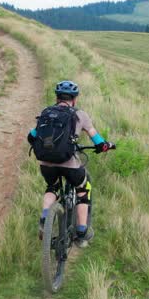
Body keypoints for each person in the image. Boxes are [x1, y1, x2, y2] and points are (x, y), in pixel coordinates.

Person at [26, 80, 113, 247]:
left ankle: (45, 218)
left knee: (51, 187)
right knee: (83, 189)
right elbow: (97, 139)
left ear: (57, 97)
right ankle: (81, 231)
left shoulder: (45, 112)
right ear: (75, 98)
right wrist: (106, 145)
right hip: (69, 164)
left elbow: (31, 137)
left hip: (46, 164)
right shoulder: (80, 114)